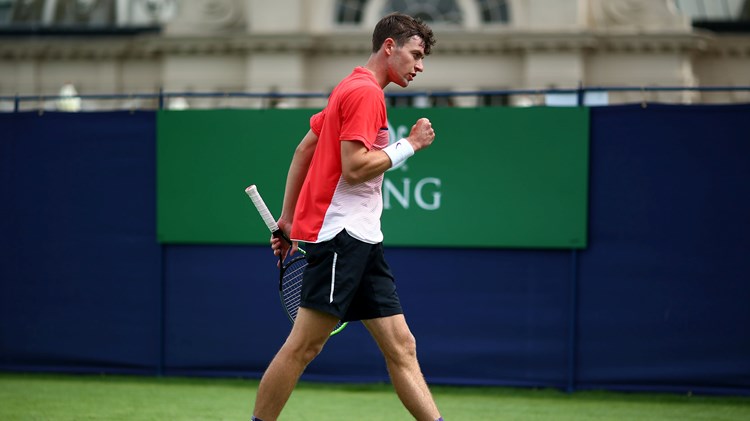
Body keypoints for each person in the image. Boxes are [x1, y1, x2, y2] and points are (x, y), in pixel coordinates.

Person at [252, 13, 442, 421]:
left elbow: (304, 150)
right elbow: (354, 167)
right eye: (415, 54)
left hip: (363, 239)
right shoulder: (365, 93)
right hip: (342, 237)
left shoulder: (350, 87)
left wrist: (287, 221)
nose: (420, 66)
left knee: (402, 346)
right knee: (303, 346)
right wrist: (410, 144)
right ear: (389, 46)